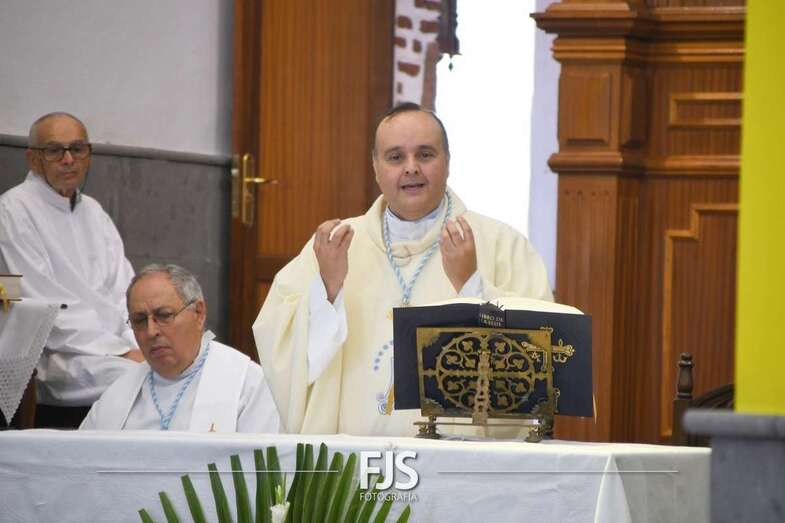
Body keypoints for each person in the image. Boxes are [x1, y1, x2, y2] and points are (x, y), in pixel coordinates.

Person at [252, 102, 553, 436]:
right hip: (354, 463)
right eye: (395, 157)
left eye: (425, 155)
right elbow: (279, 346)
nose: (411, 168)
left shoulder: (500, 244)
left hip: (456, 464)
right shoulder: (332, 246)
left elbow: (539, 357)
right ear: (376, 168)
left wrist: (472, 286)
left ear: (448, 163)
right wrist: (327, 291)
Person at [0, 112, 143, 427]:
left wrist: (139, 341)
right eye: (54, 150)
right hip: (53, 357)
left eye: (77, 149)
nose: (68, 159)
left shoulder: (94, 213)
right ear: (32, 158)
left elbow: (126, 292)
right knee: (141, 379)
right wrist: (119, 351)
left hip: (115, 347)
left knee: (189, 364)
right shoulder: (13, 211)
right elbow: (41, 306)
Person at [81, 264, 281, 432]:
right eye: (139, 320)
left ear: (199, 313)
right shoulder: (118, 394)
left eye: (164, 315)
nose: (151, 331)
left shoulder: (248, 385)